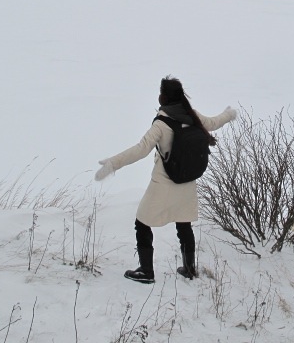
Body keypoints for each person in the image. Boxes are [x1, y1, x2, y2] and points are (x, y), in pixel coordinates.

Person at [94, 76, 237, 284]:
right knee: (184, 224)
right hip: (186, 181)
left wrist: (113, 164)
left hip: (164, 181)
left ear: (163, 97)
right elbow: (214, 123)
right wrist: (229, 115)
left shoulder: (161, 124)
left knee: (142, 222)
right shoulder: (192, 115)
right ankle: (189, 269)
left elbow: (140, 150)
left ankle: (146, 271)